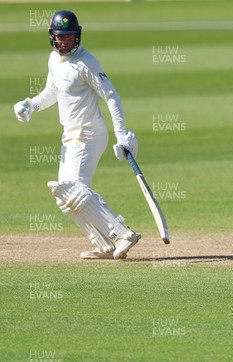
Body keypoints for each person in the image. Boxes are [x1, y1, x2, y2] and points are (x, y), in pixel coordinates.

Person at [13, 10, 140, 260]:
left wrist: (121, 134)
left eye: (70, 37)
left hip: (90, 134)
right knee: (64, 197)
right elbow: (52, 91)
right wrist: (31, 104)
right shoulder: (54, 59)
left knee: (75, 189)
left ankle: (122, 234)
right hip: (70, 136)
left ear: (77, 36)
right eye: (61, 37)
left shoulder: (86, 62)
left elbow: (111, 96)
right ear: (52, 36)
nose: (65, 42)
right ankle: (104, 245)